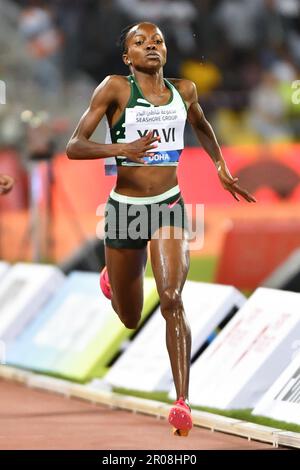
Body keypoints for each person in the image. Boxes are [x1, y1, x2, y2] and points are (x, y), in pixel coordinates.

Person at [66, 22, 256, 436]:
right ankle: (112, 281)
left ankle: (182, 402)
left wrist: (220, 166)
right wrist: (123, 149)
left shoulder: (184, 90)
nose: (151, 45)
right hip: (124, 210)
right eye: (140, 42)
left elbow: (202, 125)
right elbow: (74, 146)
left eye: (158, 41)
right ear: (126, 56)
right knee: (130, 318)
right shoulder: (114, 88)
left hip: (168, 205)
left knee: (171, 297)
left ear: (166, 51)